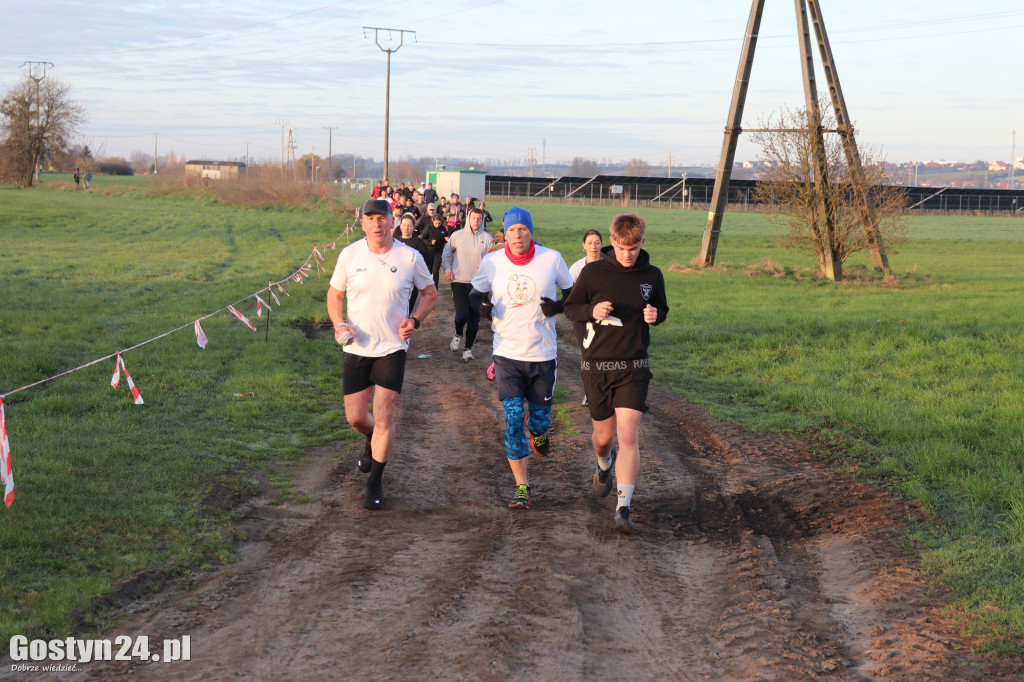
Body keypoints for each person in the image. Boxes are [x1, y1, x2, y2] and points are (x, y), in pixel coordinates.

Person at [327, 199, 438, 510]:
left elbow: (430, 293)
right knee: (356, 417)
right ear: (362, 223)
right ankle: (372, 439)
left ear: (393, 222)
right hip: (356, 346)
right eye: (370, 219)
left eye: (382, 218)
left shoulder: (410, 257)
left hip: (392, 347)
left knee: (385, 413)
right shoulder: (350, 255)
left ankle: (375, 481)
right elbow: (335, 295)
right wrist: (339, 324)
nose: (377, 224)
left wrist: (414, 320)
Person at [563, 213, 669, 534]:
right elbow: (570, 308)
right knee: (604, 437)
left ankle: (623, 508)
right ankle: (603, 463)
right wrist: (590, 311)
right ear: (612, 242)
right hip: (597, 367)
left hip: (633, 367)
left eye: (634, 248)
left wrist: (655, 314)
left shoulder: (652, 275)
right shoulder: (593, 273)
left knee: (628, 434)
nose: (627, 254)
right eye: (622, 247)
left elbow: (661, 308)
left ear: (642, 243)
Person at [469, 206, 573, 510]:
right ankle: (522, 487)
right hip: (507, 355)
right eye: (512, 230)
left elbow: (573, 293)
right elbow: (474, 295)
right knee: (512, 420)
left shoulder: (551, 258)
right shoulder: (492, 262)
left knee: (539, 424)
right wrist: (482, 308)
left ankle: (538, 431)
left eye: (523, 229)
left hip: (543, 355)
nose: (517, 235)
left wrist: (557, 308)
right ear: (505, 232)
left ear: (531, 231)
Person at [441, 206, 492, 361]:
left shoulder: (487, 238)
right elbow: (446, 253)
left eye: (479, 218)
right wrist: (448, 269)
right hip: (459, 281)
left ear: (482, 220)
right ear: (468, 218)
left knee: (474, 319)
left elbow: (493, 260)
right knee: (462, 314)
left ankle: (468, 349)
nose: (476, 221)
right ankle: (458, 333)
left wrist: (484, 267)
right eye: (473, 218)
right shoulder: (457, 236)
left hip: (478, 285)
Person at [393, 213, 430, 313]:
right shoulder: (394, 242)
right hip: (395, 280)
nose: (406, 228)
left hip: (412, 282)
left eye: (409, 225)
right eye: (404, 225)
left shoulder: (419, 243)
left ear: (413, 227)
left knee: (407, 309)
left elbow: (426, 262)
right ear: (400, 226)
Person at [420, 212, 446, 286]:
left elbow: (445, 236)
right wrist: (430, 242)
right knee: (429, 270)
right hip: (429, 251)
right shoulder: (428, 228)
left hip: (439, 251)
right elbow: (422, 239)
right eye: (436, 223)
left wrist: (446, 239)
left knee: (436, 270)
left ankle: (435, 287)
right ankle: (427, 286)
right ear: (433, 221)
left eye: (439, 223)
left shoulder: (443, 228)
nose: (437, 225)